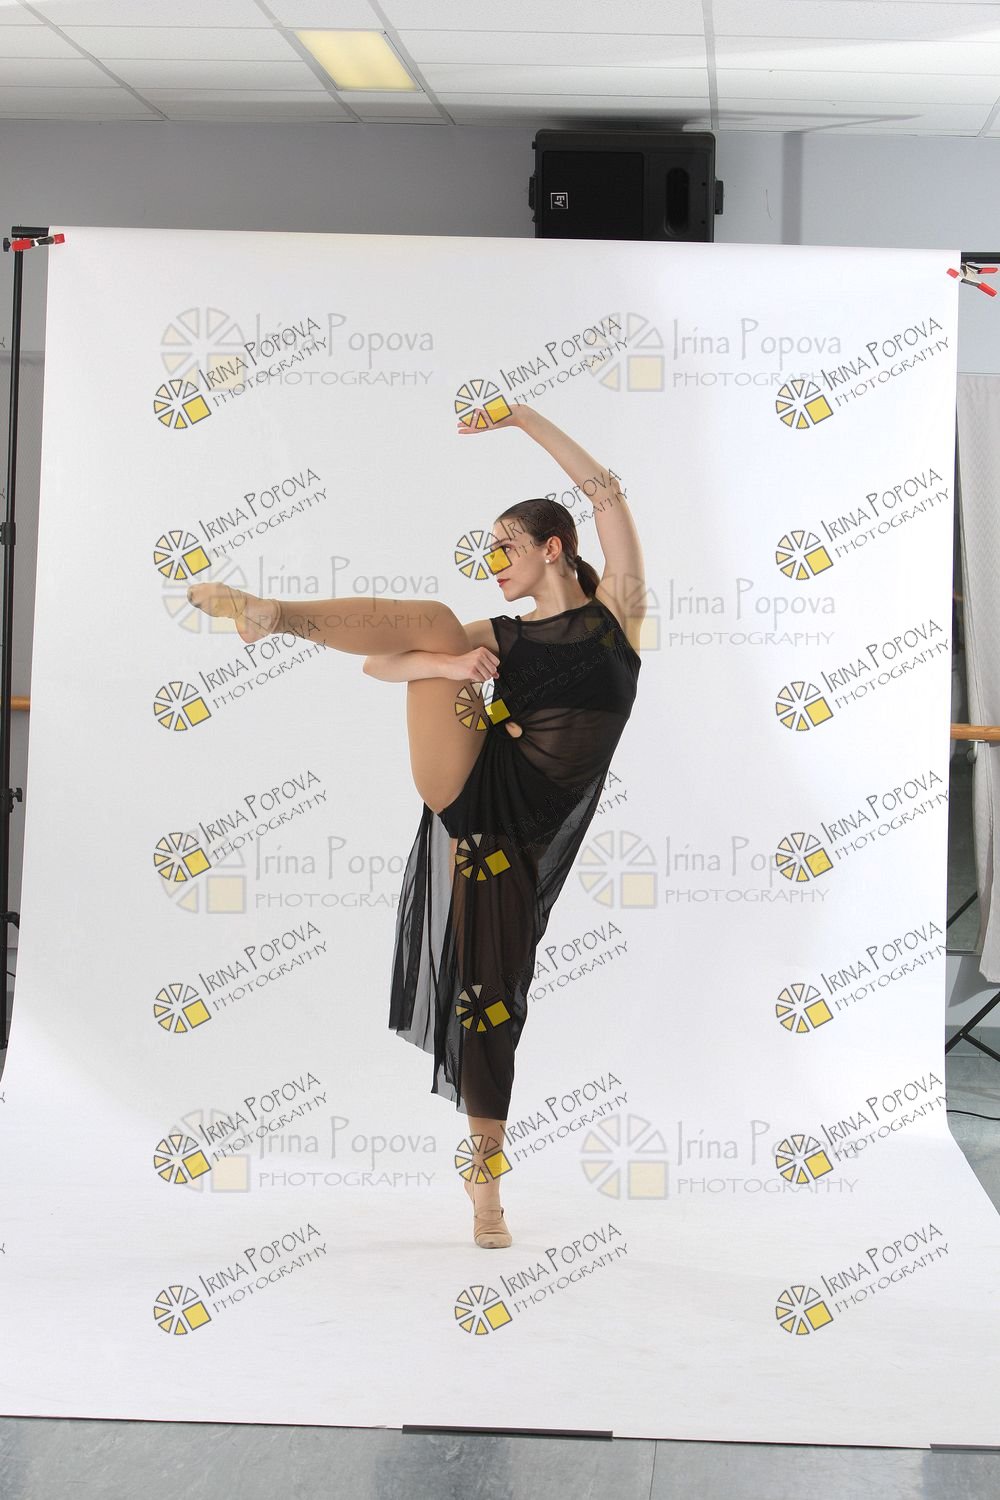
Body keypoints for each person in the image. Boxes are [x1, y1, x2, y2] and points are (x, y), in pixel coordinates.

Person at [187, 402, 645, 1251]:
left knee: (493, 1004)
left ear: (554, 548)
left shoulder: (618, 612)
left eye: (505, 547)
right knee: (433, 620)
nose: (493, 561)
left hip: (522, 839)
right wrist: (450, 662)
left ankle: (482, 1178)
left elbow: (606, 493)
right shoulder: (498, 635)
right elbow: (379, 663)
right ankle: (271, 613)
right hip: (474, 798)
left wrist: (525, 418)